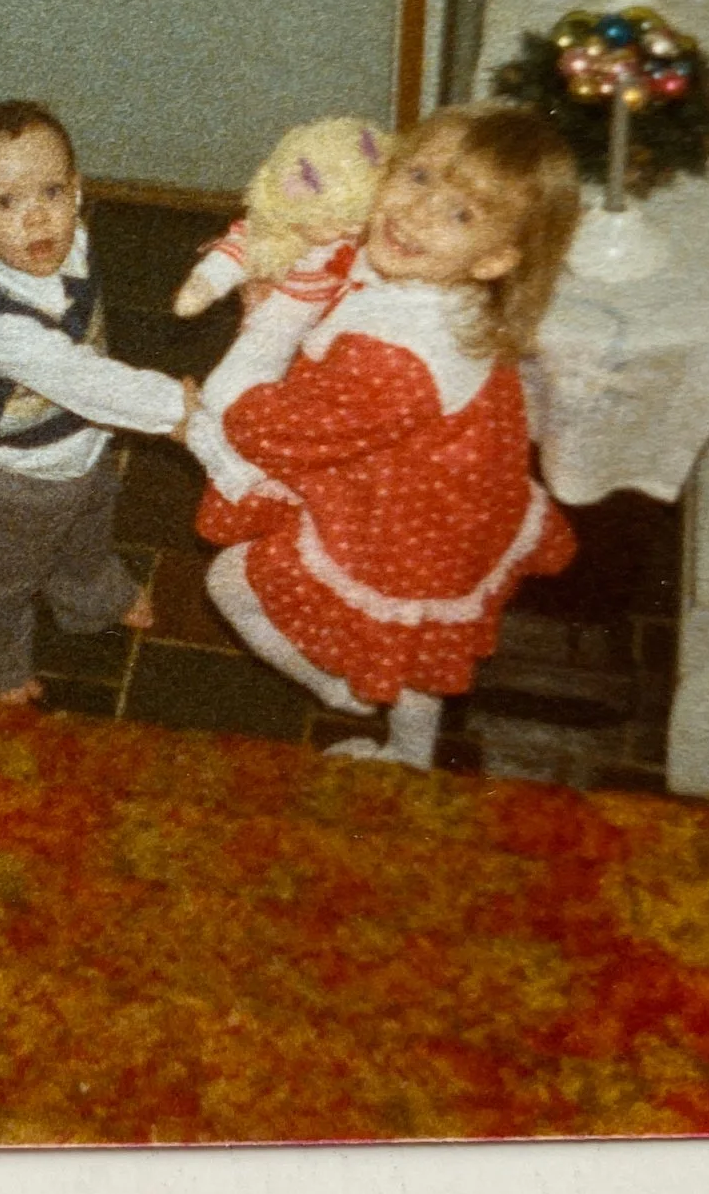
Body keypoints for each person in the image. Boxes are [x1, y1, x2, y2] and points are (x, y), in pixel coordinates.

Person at [189, 103, 581, 767]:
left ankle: (345, 691)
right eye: (419, 175)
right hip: (442, 505)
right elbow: (343, 272)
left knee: (234, 583)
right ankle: (409, 745)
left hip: (400, 529)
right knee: (419, 643)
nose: (418, 212)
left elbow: (288, 433)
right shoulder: (437, 280)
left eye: (460, 213)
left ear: (494, 259)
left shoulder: (397, 360)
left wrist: (221, 411)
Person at [0, 101, 199, 705]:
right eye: (5, 203)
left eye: (52, 190)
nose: (36, 218)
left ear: (77, 192)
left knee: (87, 527)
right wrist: (174, 409)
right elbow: (83, 378)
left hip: (79, 445)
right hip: (2, 480)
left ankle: (90, 590)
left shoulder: (70, 237)